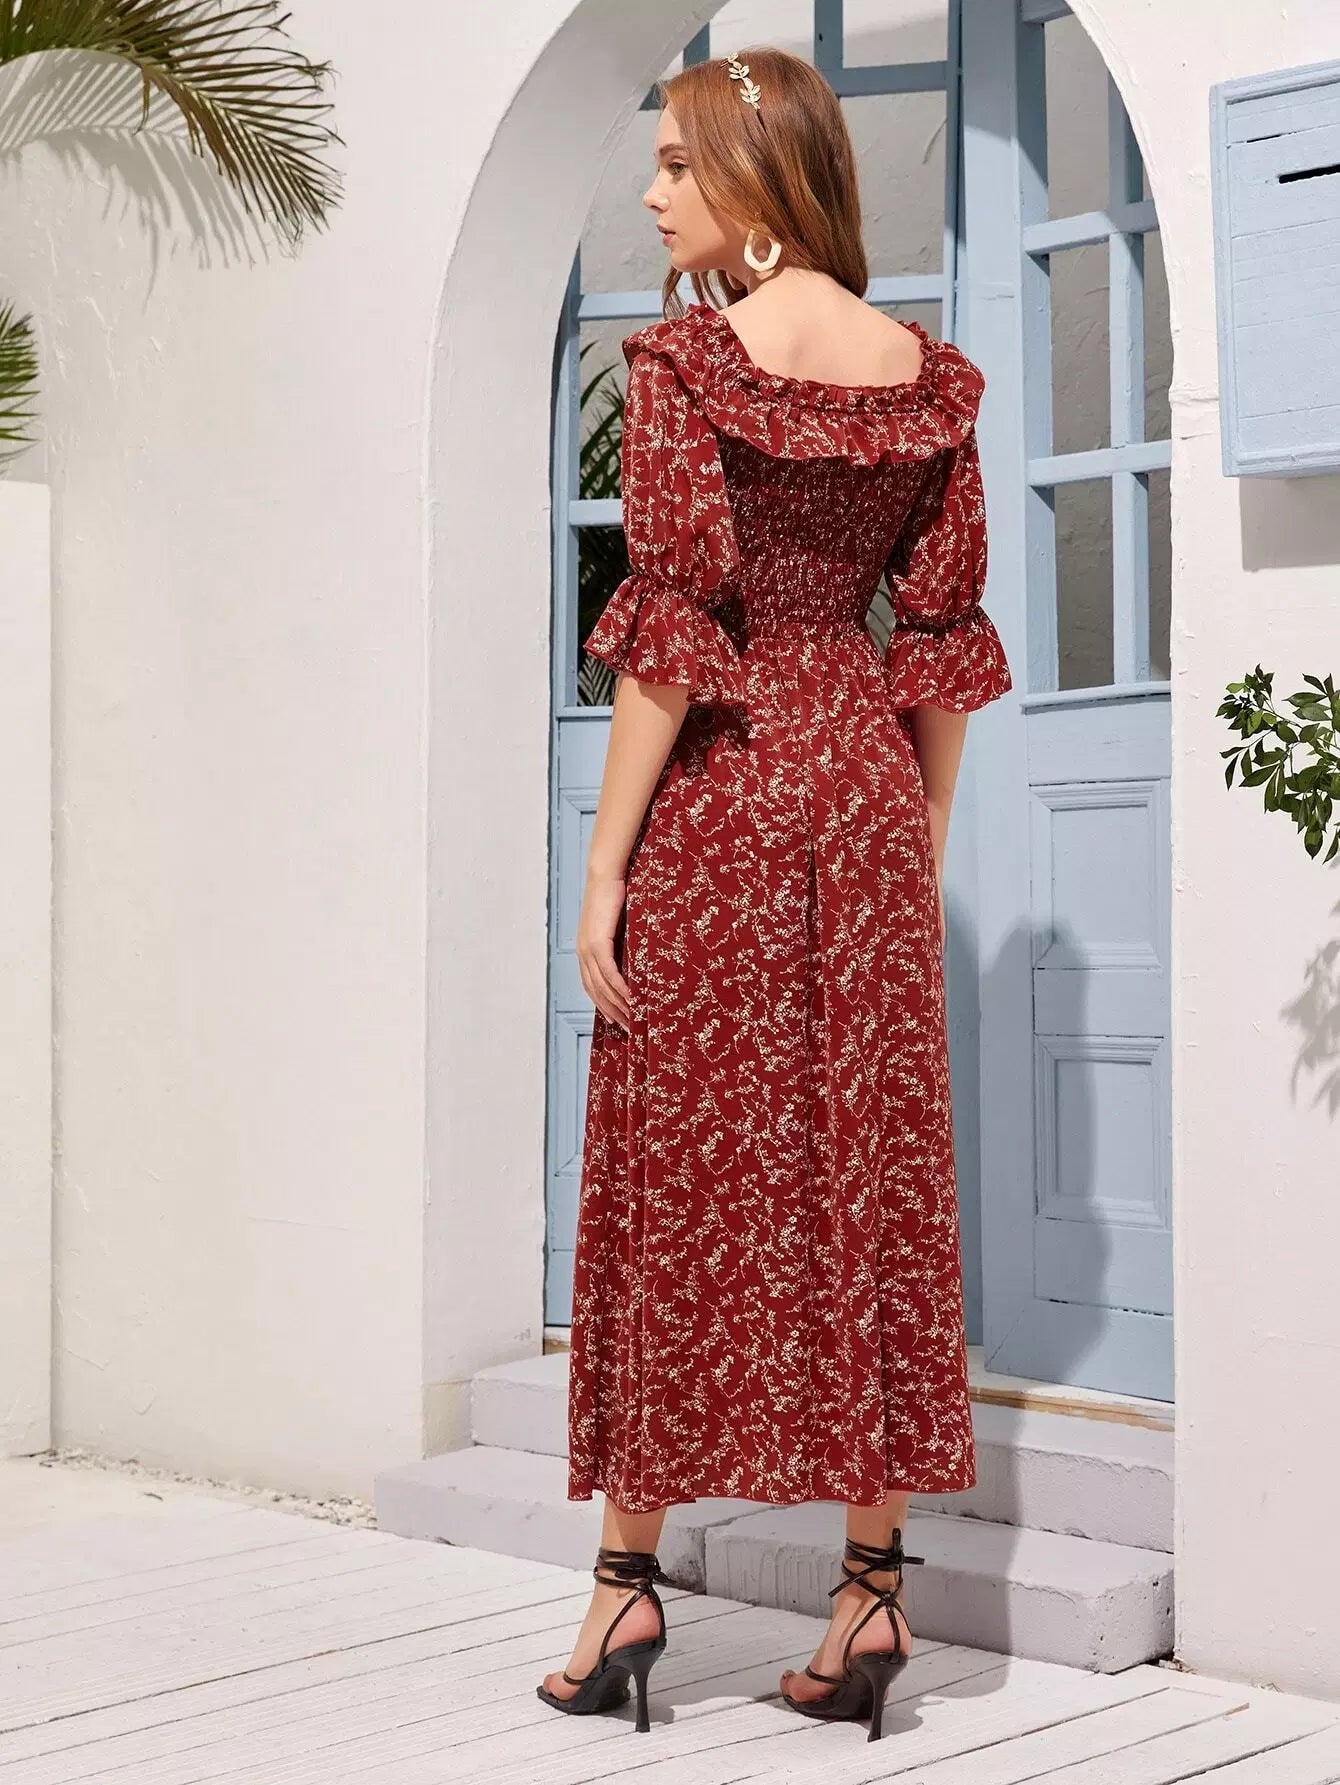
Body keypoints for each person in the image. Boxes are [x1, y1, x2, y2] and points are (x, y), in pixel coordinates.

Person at [536, 45, 1012, 1742]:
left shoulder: (688, 364)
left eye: (678, 163)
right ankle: (871, 1592)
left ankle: (624, 1589)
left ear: (753, 177)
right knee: (866, 1167)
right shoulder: (927, 380)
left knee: (677, 1160)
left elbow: (671, 645)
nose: (654, 191)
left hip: (727, 795)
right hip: (866, 785)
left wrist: (604, 867)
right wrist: (915, 837)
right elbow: (937, 643)